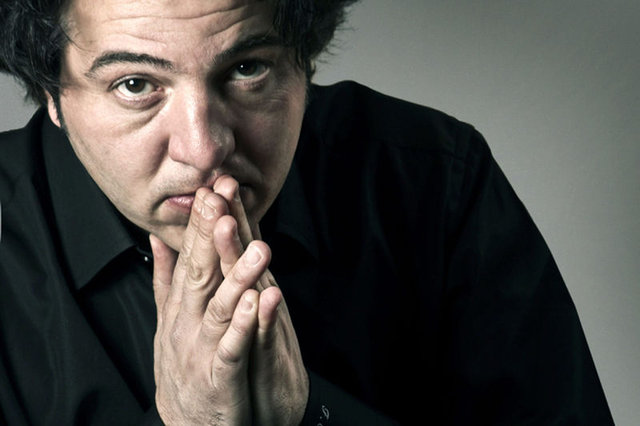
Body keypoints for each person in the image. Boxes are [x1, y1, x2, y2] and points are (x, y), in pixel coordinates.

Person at [0, 0, 614, 424]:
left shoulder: (434, 179)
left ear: (305, 64)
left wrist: (311, 416)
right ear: (52, 92)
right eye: (136, 84)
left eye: (247, 69)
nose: (204, 148)